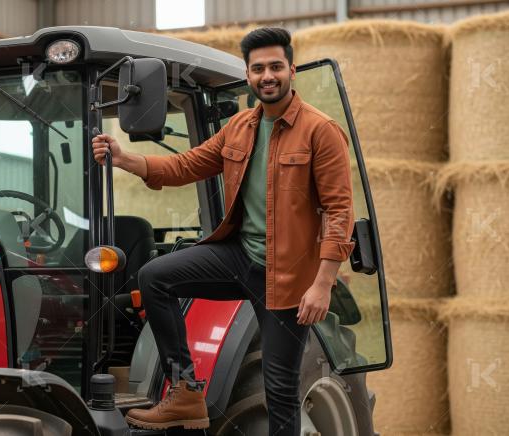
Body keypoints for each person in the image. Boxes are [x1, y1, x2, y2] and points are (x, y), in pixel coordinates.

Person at [91, 27, 355, 435]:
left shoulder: (321, 131)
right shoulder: (239, 127)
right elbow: (186, 165)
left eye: (275, 67)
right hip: (239, 257)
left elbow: (339, 211)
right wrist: (127, 158)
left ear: (292, 70)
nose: (267, 76)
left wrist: (322, 284)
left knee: (280, 389)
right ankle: (185, 389)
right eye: (258, 69)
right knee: (155, 277)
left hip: (287, 279)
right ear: (249, 75)